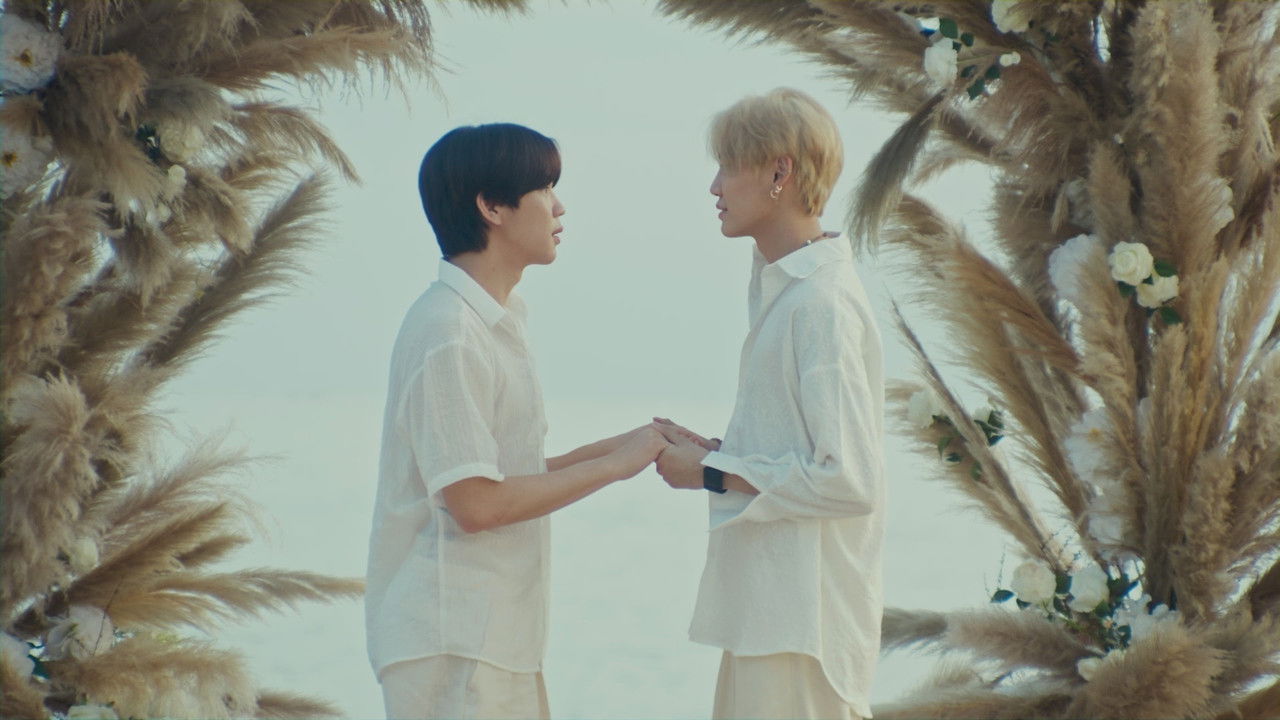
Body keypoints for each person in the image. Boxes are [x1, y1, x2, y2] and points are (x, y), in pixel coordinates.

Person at [365, 123, 668, 720]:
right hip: (455, 642)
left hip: (491, 639)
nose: (560, 206)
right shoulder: (450, 331)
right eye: (545, 188)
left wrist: (635, 444)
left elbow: (501, 474)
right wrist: (614, 467)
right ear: (492, 207)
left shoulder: (493, 320)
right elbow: (476, 503)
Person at [652, 88, 886, 720]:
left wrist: (710, 472)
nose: (714, 186)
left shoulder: (819, 304)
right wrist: (717, 454)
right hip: (769, 617)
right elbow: (800, 454)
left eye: (729, 166)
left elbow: (849, 481)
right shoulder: (786, 292)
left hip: (803, 631)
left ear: (780, 172)